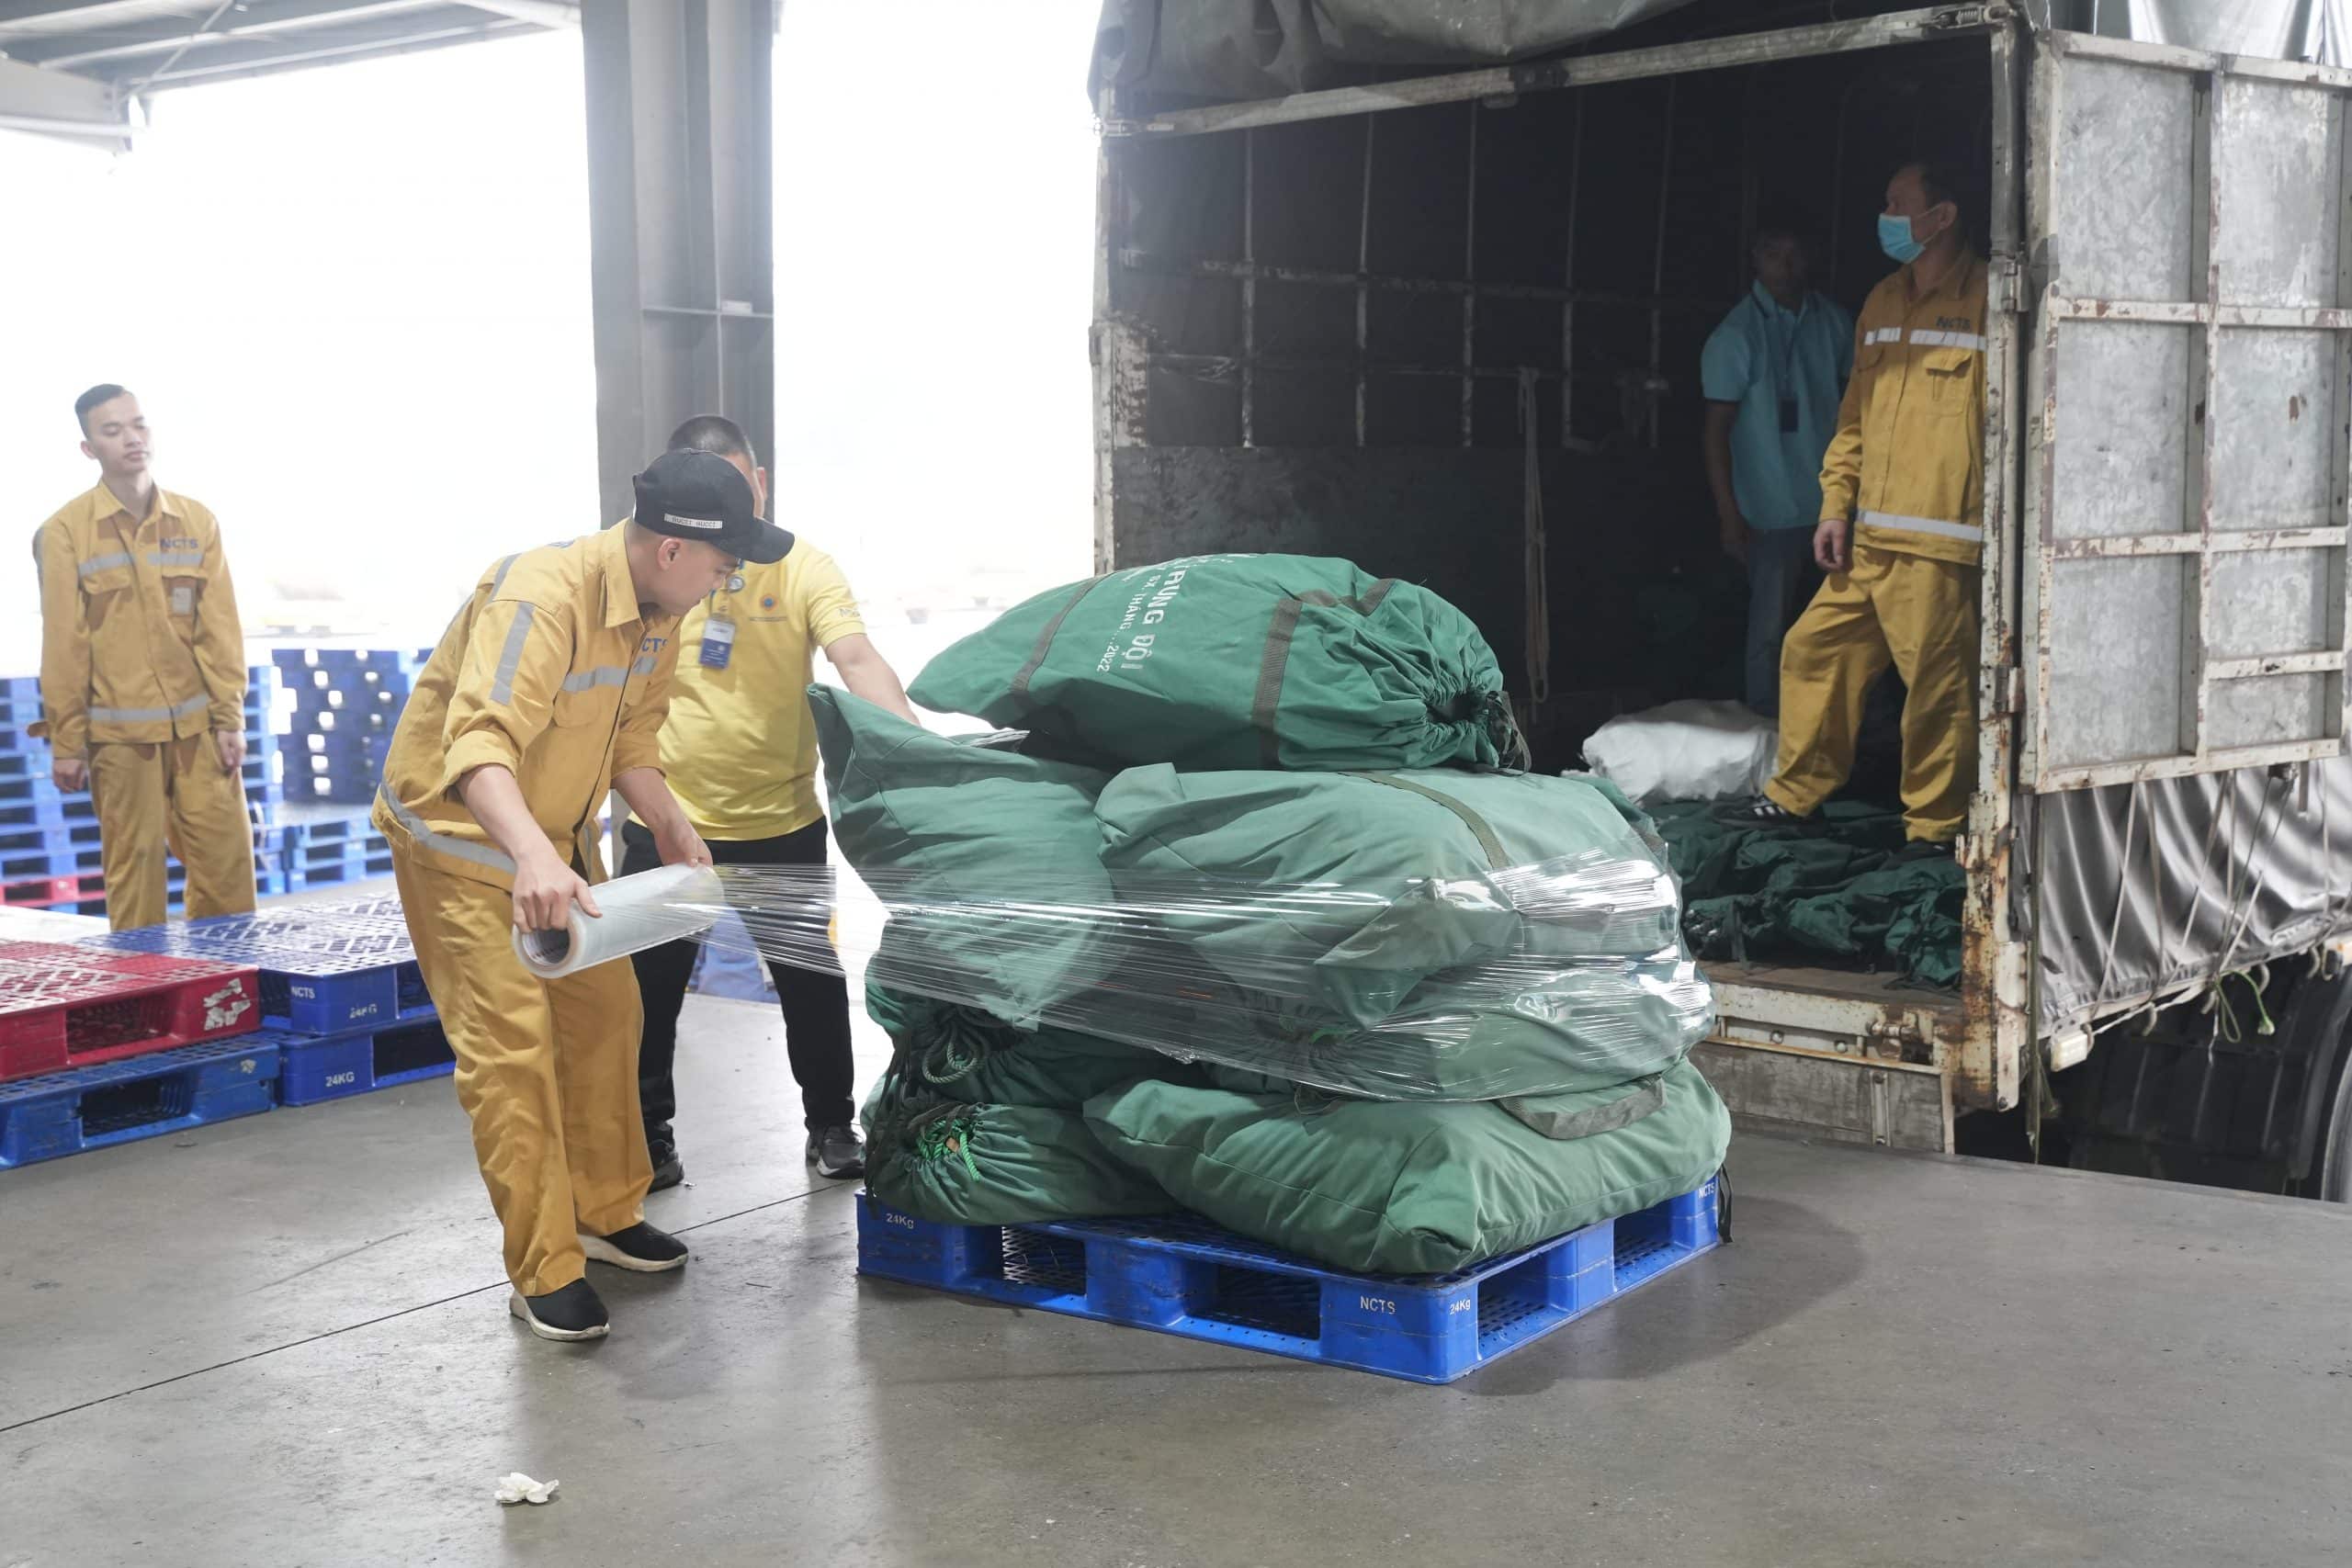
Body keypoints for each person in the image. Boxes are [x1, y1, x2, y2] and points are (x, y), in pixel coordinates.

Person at [374, 449, 791, 1342]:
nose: (722, 585)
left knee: (607, 1013)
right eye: (722, 567)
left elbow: (633, 737)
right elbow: (478, 746)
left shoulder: (657, 613)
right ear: (672, 549)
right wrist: (531, 855)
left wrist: (670, 824)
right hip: (463, 842)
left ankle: (604, 1213)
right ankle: (544, 1269)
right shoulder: (541, 597)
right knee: (513, 1054)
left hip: (554, 846)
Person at [620, 414, 920, 1191]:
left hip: (779, 820)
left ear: (760, 482)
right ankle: (646, 1133)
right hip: (666, 818)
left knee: (809, 980)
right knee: (646, 995)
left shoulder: (802, 566)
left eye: (742, 486)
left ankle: (831, 1124)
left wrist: (917, 750)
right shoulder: (660, 566)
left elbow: (856, 657)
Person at [1750, 160, 1988, 846]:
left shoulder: (1991, 298)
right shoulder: (1883, 300)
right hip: (1869, 537)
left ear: (1941, 217)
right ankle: (1796, 793)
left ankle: (1934, 825)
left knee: (1937, 689)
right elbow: (1853, 416)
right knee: (1812, 648)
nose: (1884, 218)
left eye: (1896, 204)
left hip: (1940, 541)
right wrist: (1836, 505)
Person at [34, 385, 255, 931]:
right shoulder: (64, 534)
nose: (132, 439)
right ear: (89, 448)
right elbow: (64, 645)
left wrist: (229, 716)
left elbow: (219, 629)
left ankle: (226, 979)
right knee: (135, 876)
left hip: (199, 732)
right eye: (113, 431)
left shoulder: (195, 521)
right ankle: (143, 983)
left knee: (227, 868)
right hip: (120, 742)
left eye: (138, 424)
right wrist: (68, 743)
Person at [1700, 216, 1855, 716]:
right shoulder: (1736, 335)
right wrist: (1729, 515)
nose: (1784, 267)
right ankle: (1767, 732)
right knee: (1769, 633)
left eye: (1793, 255)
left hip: (1832, 507)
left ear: (1809, 258)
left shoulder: (1833, 322)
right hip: (1768, 511)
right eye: (1773, 254)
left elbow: (1857, 410)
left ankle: (1840, 728)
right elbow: (1715, 433)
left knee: (1844, 628)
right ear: (1755, 259)